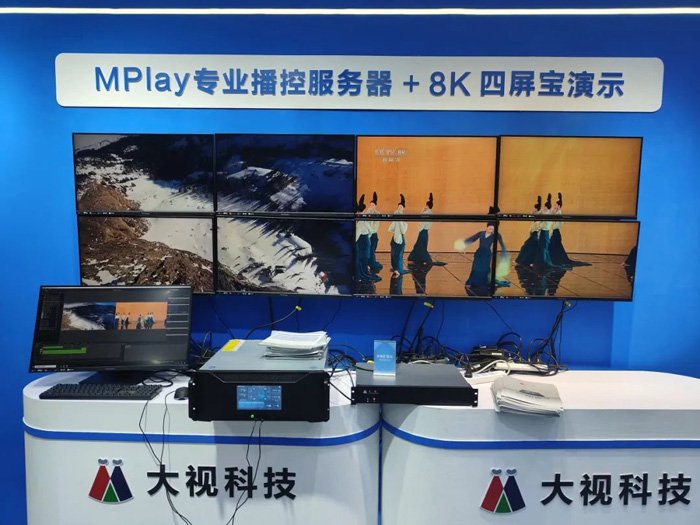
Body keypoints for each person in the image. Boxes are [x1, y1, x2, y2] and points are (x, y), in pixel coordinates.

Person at [456, 211, 510, 296]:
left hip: (487, 254)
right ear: (487, 227)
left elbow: (502, 244)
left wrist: (504, 252)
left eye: (493, 229)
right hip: (479, 253)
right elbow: (472, 239)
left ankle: (483, 282)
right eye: (490, 228)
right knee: (475, 267)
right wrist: (464, 244)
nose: (491, 230)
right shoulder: (481, 233)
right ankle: (471, 282)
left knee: (484, 269)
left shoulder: (496, 235)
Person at [548, 192, 591, 268]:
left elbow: (556, 225)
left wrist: (552, 224)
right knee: (555, 248)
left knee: (555, 247)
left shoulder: (559, 214)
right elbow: (550, 213)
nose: (554, 206)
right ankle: (552, 260)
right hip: (554, 233)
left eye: (556, 205)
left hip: (556, 233)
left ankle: (555, 260)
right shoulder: (555, 212)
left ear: (559, 206)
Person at [354, 194, 381, 283]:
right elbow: (369, 230)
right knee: (364, 257)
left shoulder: (360, 220)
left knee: (362, 257)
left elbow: (358, 233)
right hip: (365, 240)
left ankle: (363, 272)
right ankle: (364, 270)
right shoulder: (363, 217)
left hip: (362, 240)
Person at [408, 192, 434, 266]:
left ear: (427, 205)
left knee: (419, 246)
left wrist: (420, 229)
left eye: (426, 205)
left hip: (423, 231)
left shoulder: (426, 213)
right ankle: (417, 259)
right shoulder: (430, 212)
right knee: (421, 246)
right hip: (425, 232)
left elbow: (422, 221)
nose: (425, 206)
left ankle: (424, 260)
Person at [515, 195, 542, 267]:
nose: (533, 209)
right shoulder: (535, 217)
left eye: (534, 208)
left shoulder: (538, 217)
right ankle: (529, 262)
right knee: (532, 249)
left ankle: (520, 261)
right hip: (533, 234)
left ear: (536, 209)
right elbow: (531, 213)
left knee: (525, 247)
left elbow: (538, 227)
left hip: (534, 235)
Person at [534, 194, 558, 270]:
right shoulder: (549, 213)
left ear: (546, 207)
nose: (543, 208)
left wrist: (538, 226)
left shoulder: (547, 214)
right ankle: (542, 262)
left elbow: (542, 224)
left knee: (543, 248)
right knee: (543, 247)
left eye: (544, 206)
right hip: (545, 232)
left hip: (544, 232)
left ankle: (543, 262)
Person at [388, 194, 410, 278]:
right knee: (393, 255)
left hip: (400, 239)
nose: (399, 208)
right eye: (398, 207)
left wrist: (399, 220)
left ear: (403, 208)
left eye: (401, 207)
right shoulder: (396, 219)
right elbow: (391, 228)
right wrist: (396, 219)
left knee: (399, 255)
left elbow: (403, 231)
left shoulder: (404, 220)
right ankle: (395, 268)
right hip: (394, 238)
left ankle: (399, 269)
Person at [366, 192, 383, 274]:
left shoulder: (377, 213)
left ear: (375, 206)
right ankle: (368, 263)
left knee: (372, 249)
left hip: (373, 234)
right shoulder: (368, 212)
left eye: (372, 205)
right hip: (367, 234)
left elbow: (375, 226)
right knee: (368, 250)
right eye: (370, 205)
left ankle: (371, 263)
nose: (371, 206)